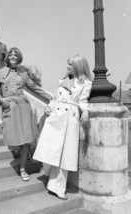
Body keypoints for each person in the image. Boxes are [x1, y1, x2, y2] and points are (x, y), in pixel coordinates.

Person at [33, 54, 92, 200]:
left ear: (78, 66)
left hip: (70, 118)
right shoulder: (62, 80)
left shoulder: (86, 83)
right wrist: (49, 106)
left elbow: (83, 100)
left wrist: (85, 110)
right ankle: (48, 175)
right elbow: (54, 98)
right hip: (55, 117)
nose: (67, 66)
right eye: (67, 64)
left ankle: (58, 187)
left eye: (70, 64)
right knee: (48, 147)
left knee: (65, 155)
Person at [0, 47, 52, 181]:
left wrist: (51, 98)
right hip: (9, 106)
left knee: (25, 138)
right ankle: (26, 154)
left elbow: (34, 87)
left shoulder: (23, 73)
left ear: (18, 58)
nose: (13, 57)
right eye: (11, 55)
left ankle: (23, 167)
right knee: (14, 135)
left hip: (23, 106)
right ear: (8, 57)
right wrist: (2, 101)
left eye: (15, 55)